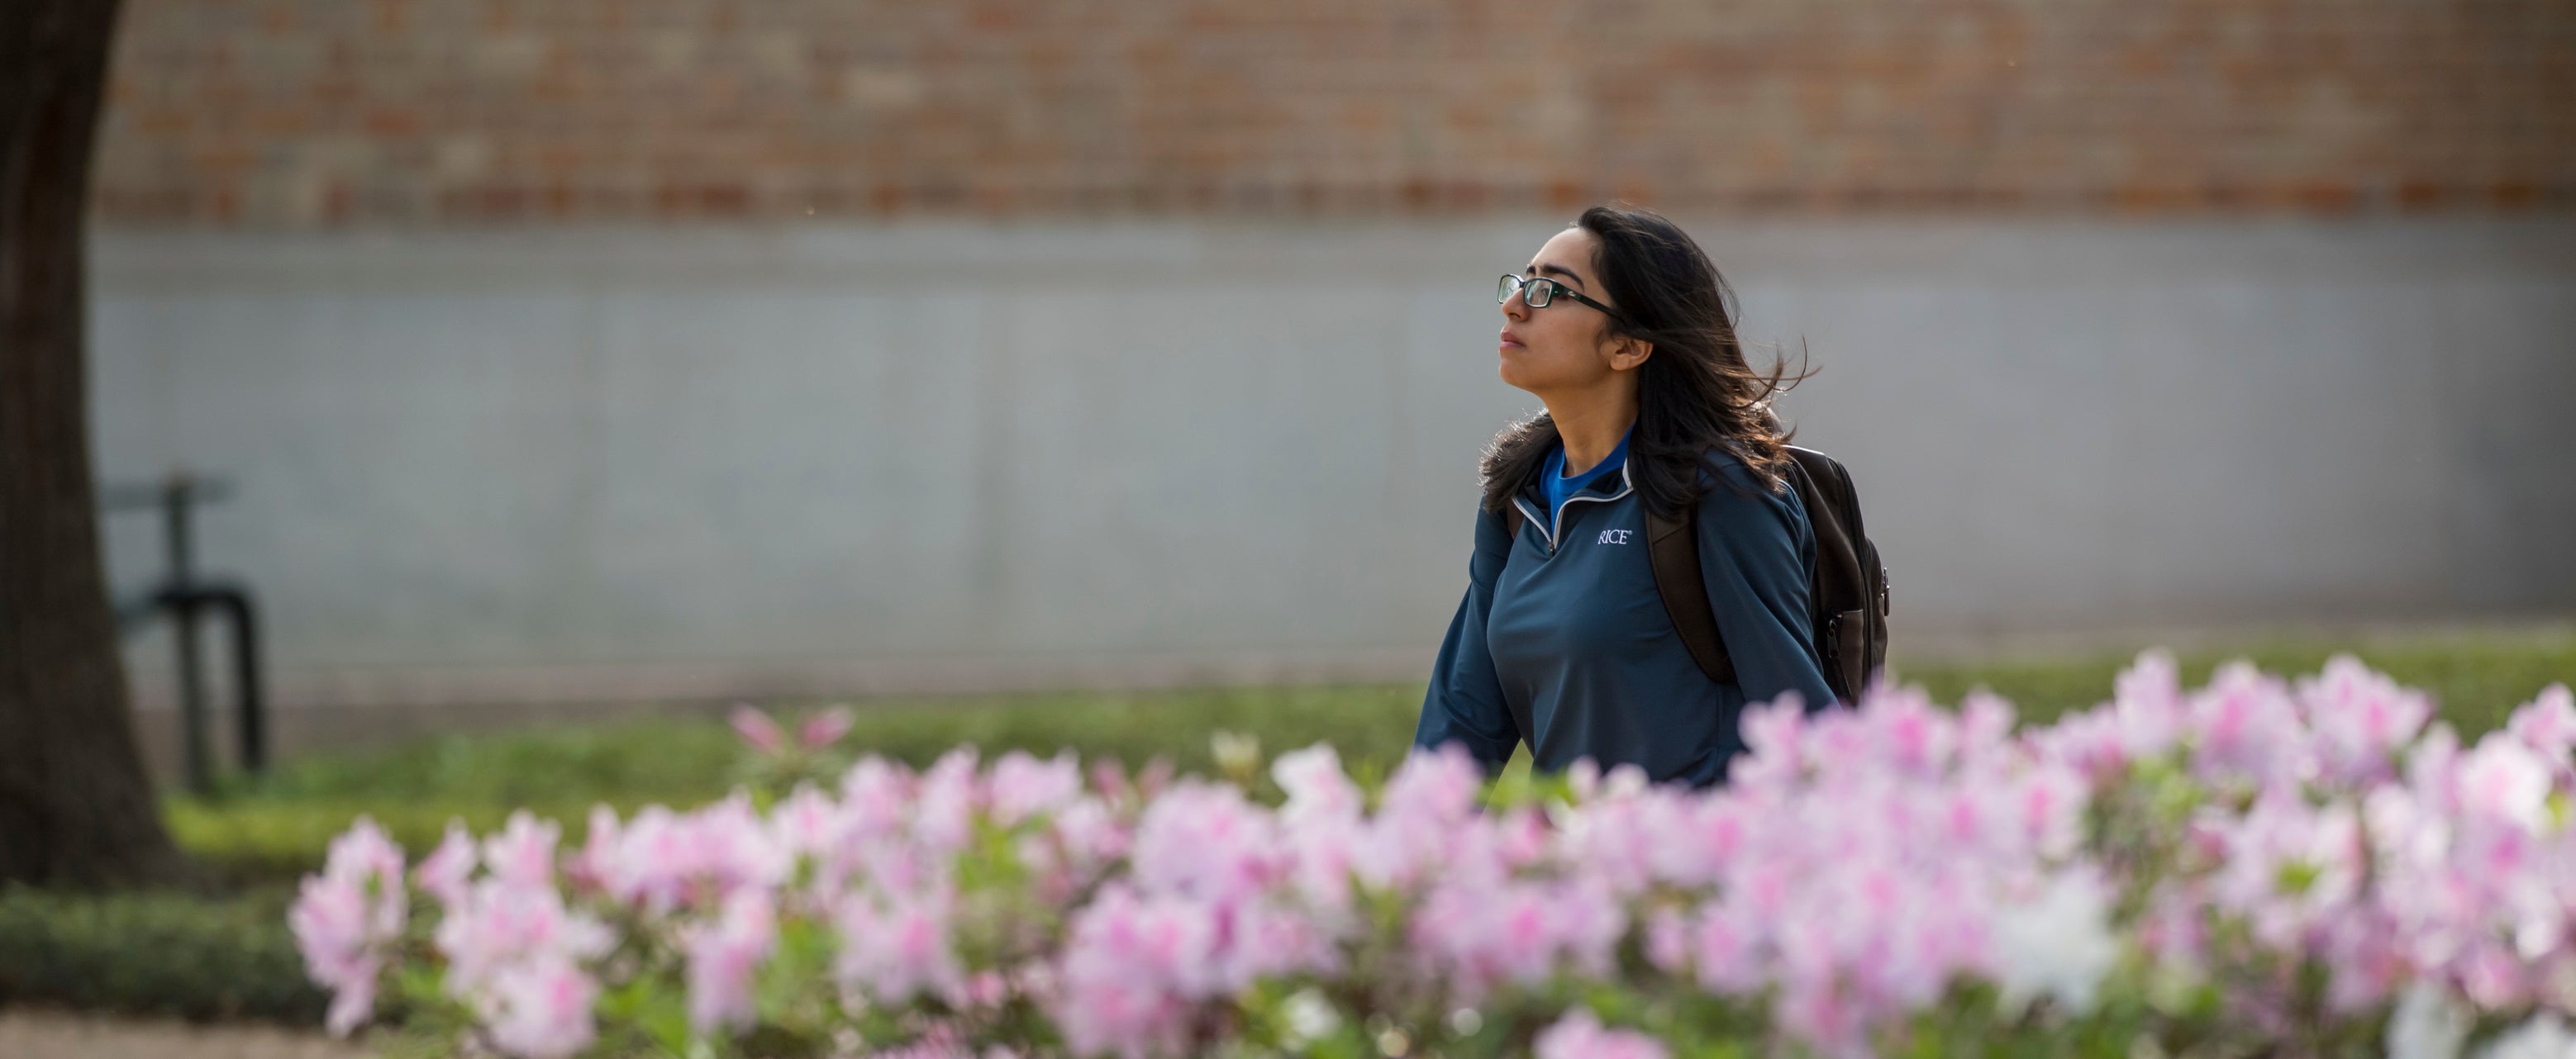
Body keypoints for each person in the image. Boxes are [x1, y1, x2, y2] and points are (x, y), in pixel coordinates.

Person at [1412, 204, 1836, 788]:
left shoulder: (1718, 491)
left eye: (1549, 292)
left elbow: (1799, 722)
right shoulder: (1518, 497)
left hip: (1700, 845)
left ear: (1629, 346)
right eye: (1520, 283)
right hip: (1578, 844)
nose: (1514, 306)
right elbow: (1463, 717)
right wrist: (1416, 833)